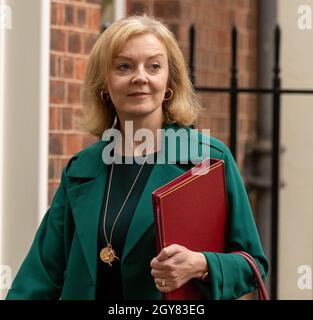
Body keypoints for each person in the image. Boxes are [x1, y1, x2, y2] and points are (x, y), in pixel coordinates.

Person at [6, 14, 268, 300]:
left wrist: (202, 265)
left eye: (154, 66)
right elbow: (40, 277)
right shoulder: (81, 169)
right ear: (104, 83)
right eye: (124, 66)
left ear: (169, 81)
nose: (140, 77)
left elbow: (253, 264)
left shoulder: (207, 160)